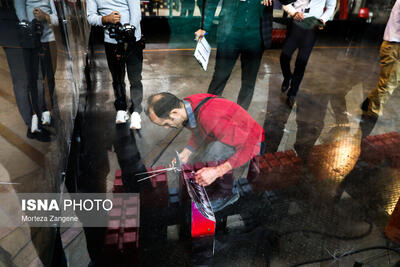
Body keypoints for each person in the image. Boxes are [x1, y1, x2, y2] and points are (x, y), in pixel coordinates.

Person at [147, 92, 265, 211]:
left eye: (166, 123)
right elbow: (200, 129)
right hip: (228, 136)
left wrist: (217, 171)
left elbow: (250, 146)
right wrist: (187, 151)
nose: (167, 127)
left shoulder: (210, 116)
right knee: (198, 162)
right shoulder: (188, 106)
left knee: (214, 152)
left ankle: (228, 195)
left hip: (251, 143)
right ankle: (209, 186)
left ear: (174, 112)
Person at [194, 0, 273, 110]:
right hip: (229, 35)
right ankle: (207, 111)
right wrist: (204, 27)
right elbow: (210, 2)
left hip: (255, 36)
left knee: (249, 82)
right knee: (219, 77)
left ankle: (240, 115)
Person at [87, 0, 144, 129]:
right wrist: (106, 19)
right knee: (117, 78)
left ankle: (135, 112)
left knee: (135, 79)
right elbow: (90, 17)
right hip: (111, 41)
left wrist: (128, 31)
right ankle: (121, 109)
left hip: (133, 39)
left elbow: (136, 14)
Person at [10, 0, 58, 141]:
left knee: (40, 79)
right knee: (25, 81)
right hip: (19, 34)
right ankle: (33, 126)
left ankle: (43, 116)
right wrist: (28, 28)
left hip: (38, 35)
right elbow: (20, 8)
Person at [279, 0, 336, 108]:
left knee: (302, 61)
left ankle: (292, 94)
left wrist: (322, 19)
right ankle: (287, 77)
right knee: (284, 55)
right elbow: (285, 2)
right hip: (295, 21)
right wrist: (294, 12)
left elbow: (330, 7)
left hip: (312, 27)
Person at [361, 0, 400, 118]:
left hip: (395, 46)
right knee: (388, 83)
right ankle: (372, 114)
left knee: (393, 81)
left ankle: (370, 100)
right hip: (394, 46)